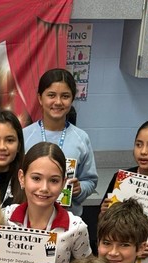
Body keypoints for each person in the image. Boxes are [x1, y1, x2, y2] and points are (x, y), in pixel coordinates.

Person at [3, 142, 90, 263]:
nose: (44, 188)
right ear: (22, 178)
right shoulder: (4, 218)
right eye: (36, 178)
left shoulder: (76, 227)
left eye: (54, 180)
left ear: (64, 183)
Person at [22, 69, 98, 218]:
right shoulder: (25, 136)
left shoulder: (81, 138)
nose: (58, 102)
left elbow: (90, 181)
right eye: (51, 95)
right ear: (40, 98)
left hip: (67, 220)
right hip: (29, 219)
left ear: (72, 99)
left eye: (65, 96)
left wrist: (80, 188)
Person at [100, 118, 148, 213]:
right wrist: (103, 214)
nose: (143, 151)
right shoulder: (121, 179)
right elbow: (101, 220)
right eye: (138, 144)